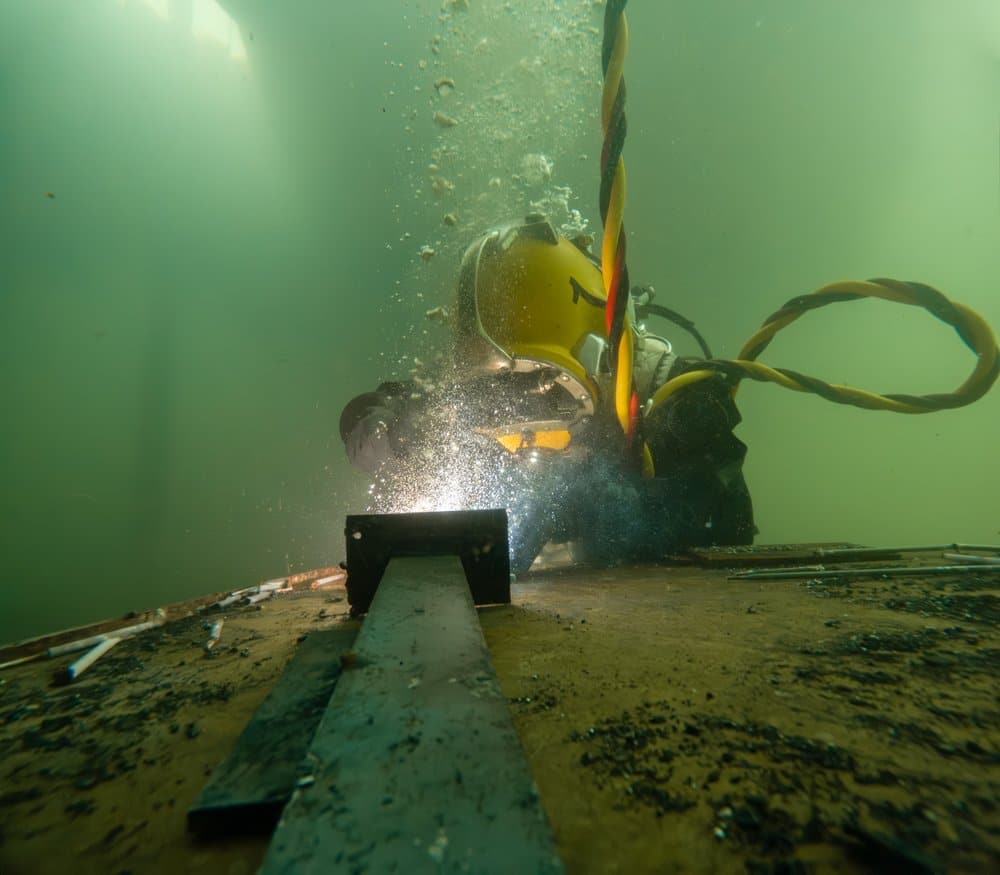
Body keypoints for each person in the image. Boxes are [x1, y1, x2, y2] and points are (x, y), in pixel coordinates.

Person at [340, 213, 754, 572]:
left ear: (594, 355)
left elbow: (720, 520)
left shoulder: (678, 402)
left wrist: (574, 499)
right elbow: (421, 395)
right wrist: (381, 413)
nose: (514, 406)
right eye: (495, 385)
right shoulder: (492, 380)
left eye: (537, 384)